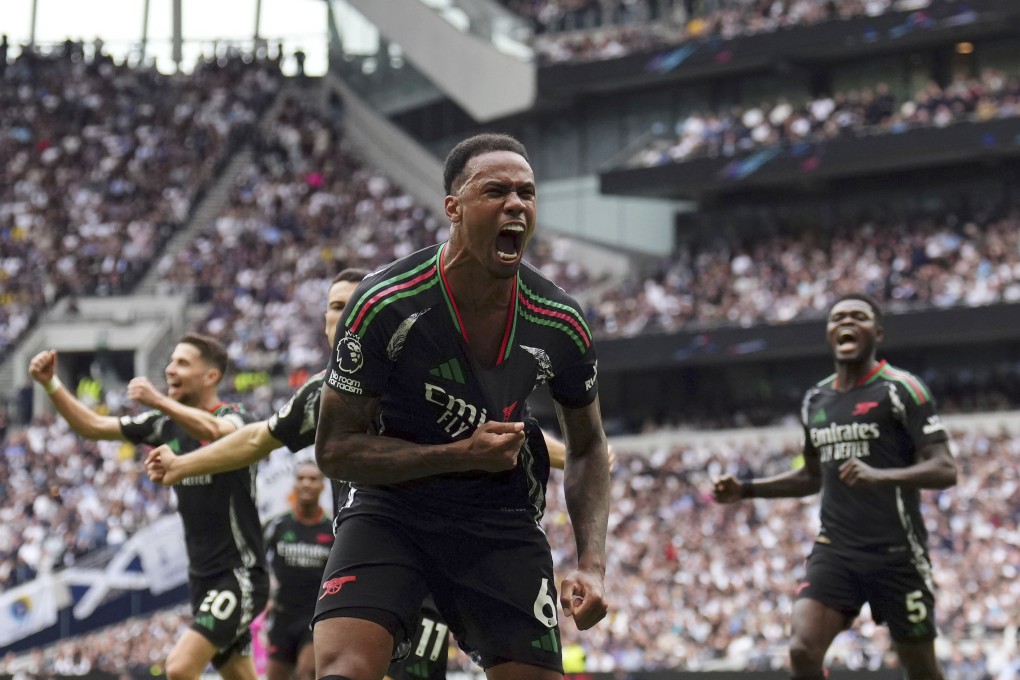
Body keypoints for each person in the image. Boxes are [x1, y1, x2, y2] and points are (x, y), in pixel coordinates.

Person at [145, 268, 599, 679]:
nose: (341, 316)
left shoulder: (413, 371)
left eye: (349, 305)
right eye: (334, 308)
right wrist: (184, 464)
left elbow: (508, 431)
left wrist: (580, 453)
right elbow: (253, 441)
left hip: (442, 538)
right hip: (373, 543)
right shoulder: (317, 395)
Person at [314, 132, 611, 680]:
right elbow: (334, 450)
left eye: (527, 192)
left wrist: (591, 566)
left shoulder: (560, 321)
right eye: (495, 190)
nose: (515, 204)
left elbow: (590, 447)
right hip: (391, 511)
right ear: (452, 207)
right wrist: (458, 455)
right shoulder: (385, 303)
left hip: (499, 519)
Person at [712, 292, 957, 680]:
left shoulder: (902, 389)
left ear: (877, 331)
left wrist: (882, 476)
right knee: (802, 652)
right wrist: (746, 489)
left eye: (858, 316)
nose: (846, 322)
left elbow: (946, 469)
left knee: (921, 669)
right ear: (828, 333)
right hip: (837, 552)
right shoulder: (816, 399)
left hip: (897, 555)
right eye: (837, 317)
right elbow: (812, 476)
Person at [29, 334, 268, 680]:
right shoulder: (163, 426)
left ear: (211, 376)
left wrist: (156, 399)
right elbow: (93, 426)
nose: (170, 369)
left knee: (180, 667)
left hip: (240, 575)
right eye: (170, 362)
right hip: (202, 577)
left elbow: (218, 431)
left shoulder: (236, 416)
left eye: (183, 363)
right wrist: (51, 383)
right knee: (238, 674)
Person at [262, 461, 333, 680]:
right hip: (282, 617)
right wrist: (264, 594)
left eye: (313, 479)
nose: (306, 483)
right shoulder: (276, 525)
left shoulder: (334, 529)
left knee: (307, 672)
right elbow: (255, 560)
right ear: (294, 484)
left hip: (314, 618)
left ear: (322, 486)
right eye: (301, 478)